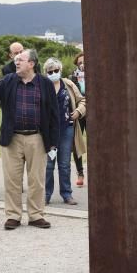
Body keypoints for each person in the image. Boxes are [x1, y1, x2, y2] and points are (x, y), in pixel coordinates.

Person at [0, 48, 58, 230]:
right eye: (16, 59)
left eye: (21, 59)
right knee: (12, 180)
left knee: (36, 180)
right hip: (12, 138)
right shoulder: (9, 80)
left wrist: (53, 142)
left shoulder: (45, 84)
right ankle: (13, 215)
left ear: (32, 64)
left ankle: (36, 215)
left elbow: (54, 114)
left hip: (37, 138)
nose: (16, 62)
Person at [44, 57, 86, 206]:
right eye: (50, 71)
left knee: (64, 164)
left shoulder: (68, 84)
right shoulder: (42, 85)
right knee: (48, 164)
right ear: (46, 72)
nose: (54, 73)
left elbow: (82, 100)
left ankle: (67, 194)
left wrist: (78, 112)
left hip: (67, 129)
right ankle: (46, 195)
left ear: (60, 70)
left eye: (56, 70)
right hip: (49, 132)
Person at [69, 52, 86, 186]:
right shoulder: (72, 78)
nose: (82, 65)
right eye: (80, 63)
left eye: (84, 62)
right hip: (79, 112)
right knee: (77, 143)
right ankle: (80, 173)